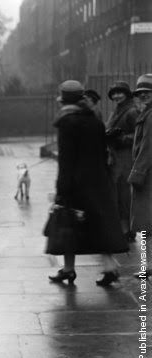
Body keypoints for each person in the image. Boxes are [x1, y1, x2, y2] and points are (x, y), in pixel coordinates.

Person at [47, 80, 128, 286]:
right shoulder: (94, 119)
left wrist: (61, 189)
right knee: (98, 224)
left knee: (68, 224)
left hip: (76, 183)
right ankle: (108, 267)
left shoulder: (67, 122)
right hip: (98, 180)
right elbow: (102, 151)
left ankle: (69, 269)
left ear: (63, 100)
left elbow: (66, 161)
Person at [105, 80, 139, 241]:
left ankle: (128, 231)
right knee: (118, 193)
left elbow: (140, 135)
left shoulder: (132, 111)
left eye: (120, 92)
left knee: (124, 194)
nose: (116, 96)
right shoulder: (118, 110)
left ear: (127, 94)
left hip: (126, 158)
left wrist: (122, 138)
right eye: (114, 93)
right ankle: (123, 228)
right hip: (116, 157)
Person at [129, 74, 152, 278]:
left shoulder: (150, 116)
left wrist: (137, 173)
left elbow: (147, 148)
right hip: (147, 174)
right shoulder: (145, 114)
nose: (143, 96)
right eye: (140, 93)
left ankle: (148, 266)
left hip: (148, 175)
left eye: (147, 93)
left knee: (146, 223)